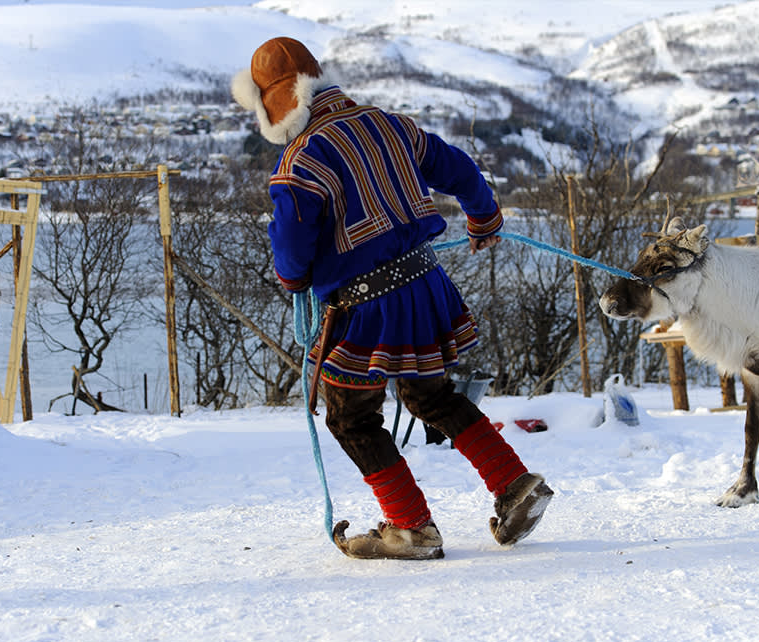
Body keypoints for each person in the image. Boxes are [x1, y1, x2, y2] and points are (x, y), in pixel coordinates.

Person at [232, 37, 553, 560]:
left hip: (365, 308)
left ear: (276, 105)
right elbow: (458, 168)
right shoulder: (391, 125)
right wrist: (483, 217)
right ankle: (516, 486)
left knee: (350, 418)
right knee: (432, 397)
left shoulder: (299, 164)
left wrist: (293, 281)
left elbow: (291, 252)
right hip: (425, 287)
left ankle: (410, 527)